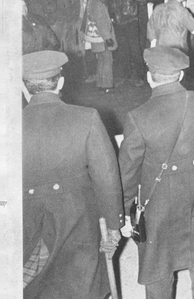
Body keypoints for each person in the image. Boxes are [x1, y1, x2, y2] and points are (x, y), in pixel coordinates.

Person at [118, 46, 194, 297]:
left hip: (158, 205)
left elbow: (128, 171)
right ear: (181, 75)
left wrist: (124, 212)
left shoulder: (138, 117)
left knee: (158, 268)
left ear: (149, 77)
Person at [22, 50, 123, 298]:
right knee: (81, 284)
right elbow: (107, 177)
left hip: (27, 223)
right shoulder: (86, 118)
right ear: (61, 83)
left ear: (24, 88)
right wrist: (113, 225)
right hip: (79, 220)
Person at [83, 0, 118, 93]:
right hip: (102, 38)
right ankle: (107, 85)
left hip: (96, 37)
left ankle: (100, 83)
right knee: (107, 59)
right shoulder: (98, 2)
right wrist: (108, 38)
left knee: (101, 60)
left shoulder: (92, 0)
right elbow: (101, 22)